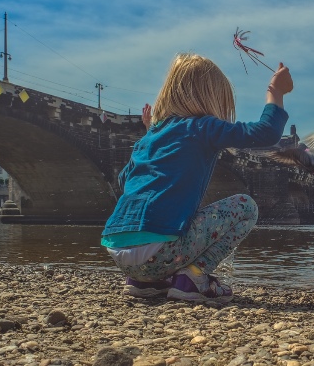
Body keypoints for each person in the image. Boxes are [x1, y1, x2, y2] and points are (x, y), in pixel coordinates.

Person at [101, 53, 293, 303]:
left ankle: (145, 282)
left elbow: (125, 183)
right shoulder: (200, 127)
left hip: (118, 252)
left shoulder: (149, 137)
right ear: (211, 98)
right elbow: (265, 133)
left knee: (169, 220)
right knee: (246, 207)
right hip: (159, 253)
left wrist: (149, 134)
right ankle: (193, 277)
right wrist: (275, 92)